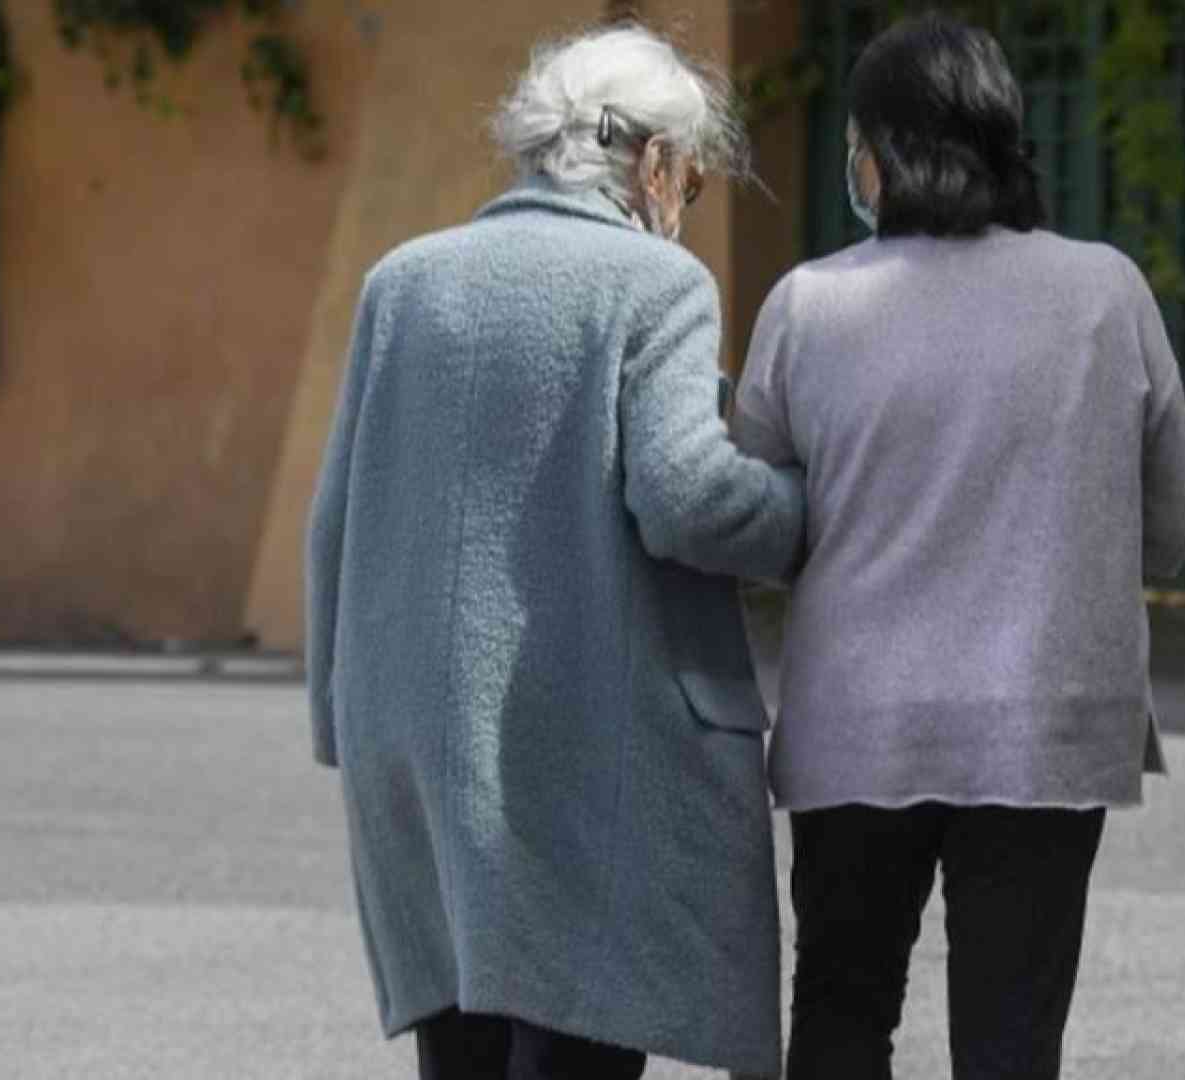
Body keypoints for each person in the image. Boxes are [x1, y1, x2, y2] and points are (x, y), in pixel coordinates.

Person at [303, 23, 802, 1080]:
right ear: (654, 163)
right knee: (582, 1026)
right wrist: (803, 511)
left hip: (407, 728)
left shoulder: (403, 281)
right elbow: (686, 501)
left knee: (461, 1036)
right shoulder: (653, 284)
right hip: (579, 726)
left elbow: (334, 516)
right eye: (692, 180)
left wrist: (334, 712)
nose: (685, 202)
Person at [731, 13, 1185, 1080]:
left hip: (856, 729)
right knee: (1012, 1039)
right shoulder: (1106, 292)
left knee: (842, 1010)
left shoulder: (808, 306)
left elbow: (759, 526)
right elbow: (1169, 532)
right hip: (1046, 728)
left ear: (881, 151)